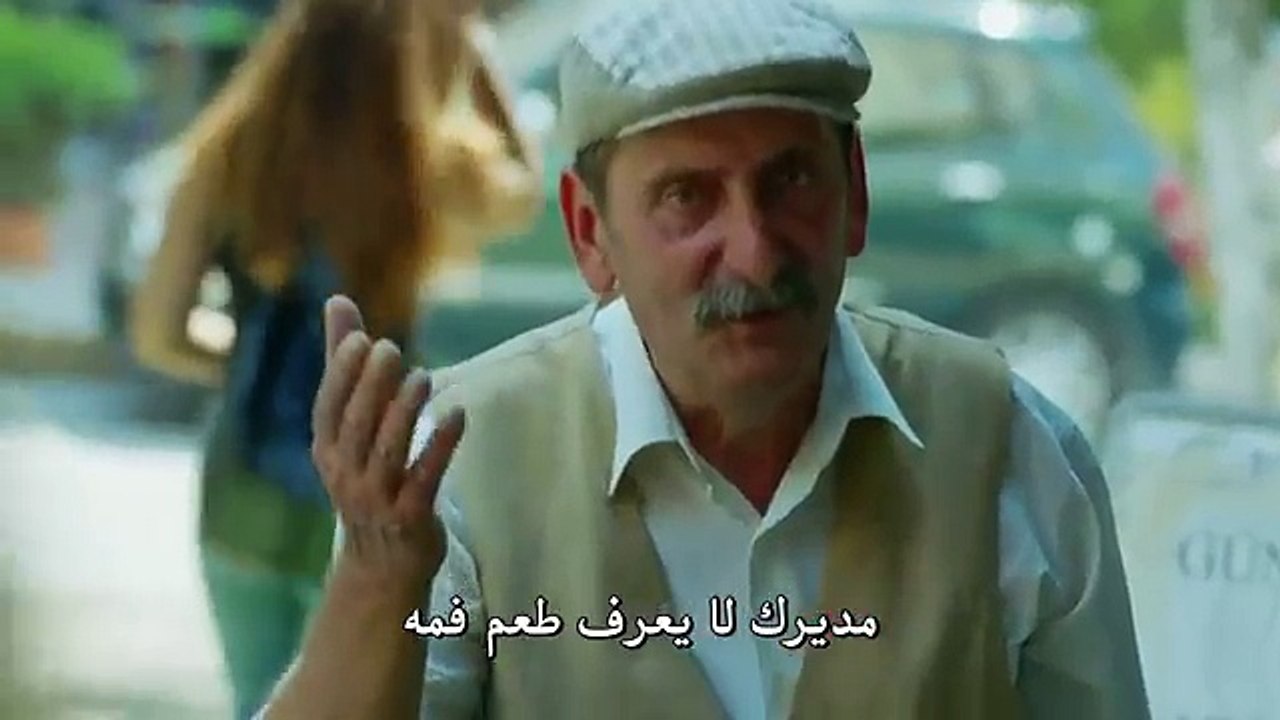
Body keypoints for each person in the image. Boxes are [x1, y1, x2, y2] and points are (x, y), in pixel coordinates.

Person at [260, 0, 1152, 717]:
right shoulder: (464, 471)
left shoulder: (1013, 453)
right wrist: (377, 581)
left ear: (854, 194)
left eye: (790, 181)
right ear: (590, 233)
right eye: (688, 197)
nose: (755, 254)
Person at [127, 0, 539, 717]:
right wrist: (471, 49)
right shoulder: (427, 160)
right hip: (370, 497)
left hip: (244, 490)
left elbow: (158, 332)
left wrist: (246, 361)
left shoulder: (226, 158)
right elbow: (523, 195)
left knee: (261, 702)